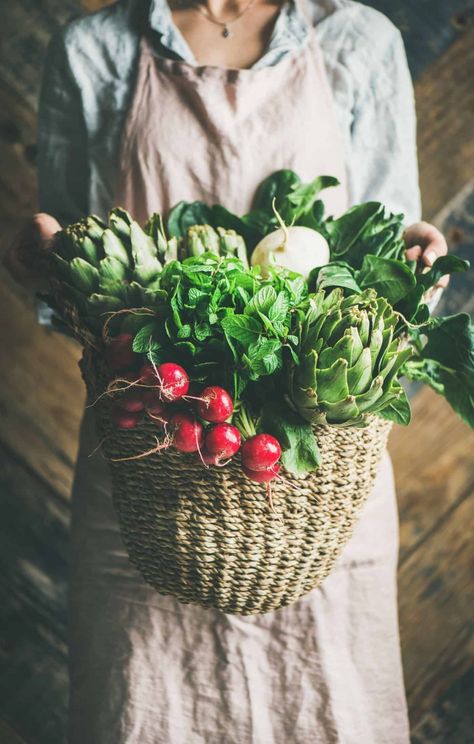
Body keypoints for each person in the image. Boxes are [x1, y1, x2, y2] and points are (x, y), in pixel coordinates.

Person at [4, 0, 449, 742]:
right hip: (151, 454)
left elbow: (385, 262)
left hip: (316, 478)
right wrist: (44, 266)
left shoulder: (360, 42)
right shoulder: (91, 52)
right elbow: (80, 287)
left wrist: (416, 267)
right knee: (143, 711)